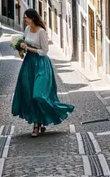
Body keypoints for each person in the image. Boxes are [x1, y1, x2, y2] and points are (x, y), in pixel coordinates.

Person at [11, 9, 74, 137]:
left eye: (26, 18)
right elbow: (24, 42)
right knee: (29, 94)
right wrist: (21, 50)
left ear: (32, 18)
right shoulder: (27, 29)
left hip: (41, 65)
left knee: (38, 95)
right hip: (28, 64)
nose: (24, 20)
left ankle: (51, 114)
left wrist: (28, 48)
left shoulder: (41, 32)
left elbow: (44, 51)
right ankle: (37, 123)